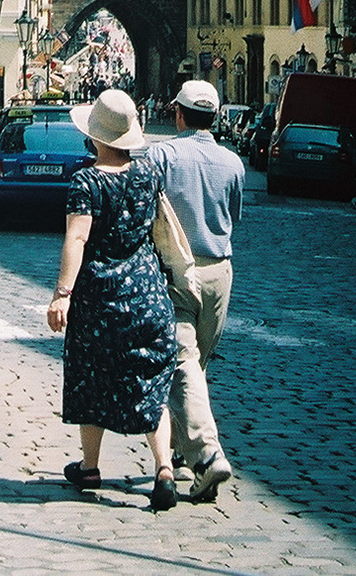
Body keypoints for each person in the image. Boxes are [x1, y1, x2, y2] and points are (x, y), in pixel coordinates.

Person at [46, 89, 179, 512]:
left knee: (91, 376)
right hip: (147, 294)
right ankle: (163, 470)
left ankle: (90, 467)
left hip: (100, 299)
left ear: (95, 136)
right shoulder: (147, 174)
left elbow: (77, 237)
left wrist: (62, 293)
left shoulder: (86, 181)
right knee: (151, 382)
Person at [144, 78, 242, 503]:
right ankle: (186, 452)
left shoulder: (161, 154)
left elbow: (147, 208)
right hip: (220, 271)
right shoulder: (233, 162)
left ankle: (206, 454)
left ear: (178, 115)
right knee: (196, 364)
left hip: (177, 269)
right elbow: (233, 215)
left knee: (182, 365)